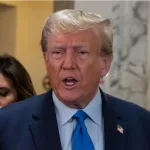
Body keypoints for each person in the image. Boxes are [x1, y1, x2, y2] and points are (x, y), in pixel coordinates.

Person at [0, 9, 150, 150]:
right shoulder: (7, 125)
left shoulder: (142, 125)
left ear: (105, 64)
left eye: (81, 52)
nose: (68, 64)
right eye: (58, 52)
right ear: (46, 61)